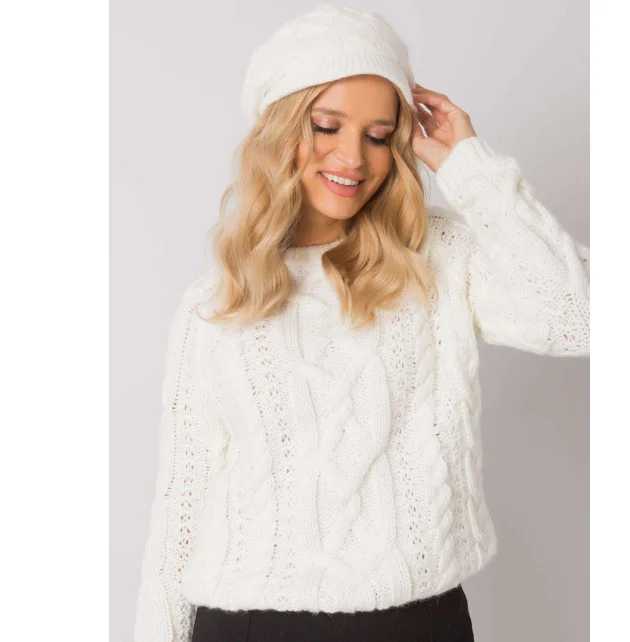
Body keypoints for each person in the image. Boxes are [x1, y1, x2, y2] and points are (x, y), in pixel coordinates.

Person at [133, 4, 590, 641]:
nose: (352, 157)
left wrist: (469, 165)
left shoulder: (438, 257)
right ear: (280, 128)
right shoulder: (217, 301)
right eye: (326, 125)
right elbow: (180, 512)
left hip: (415, 623)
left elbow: (581, 316)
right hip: (245, 627)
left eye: (378, 135)